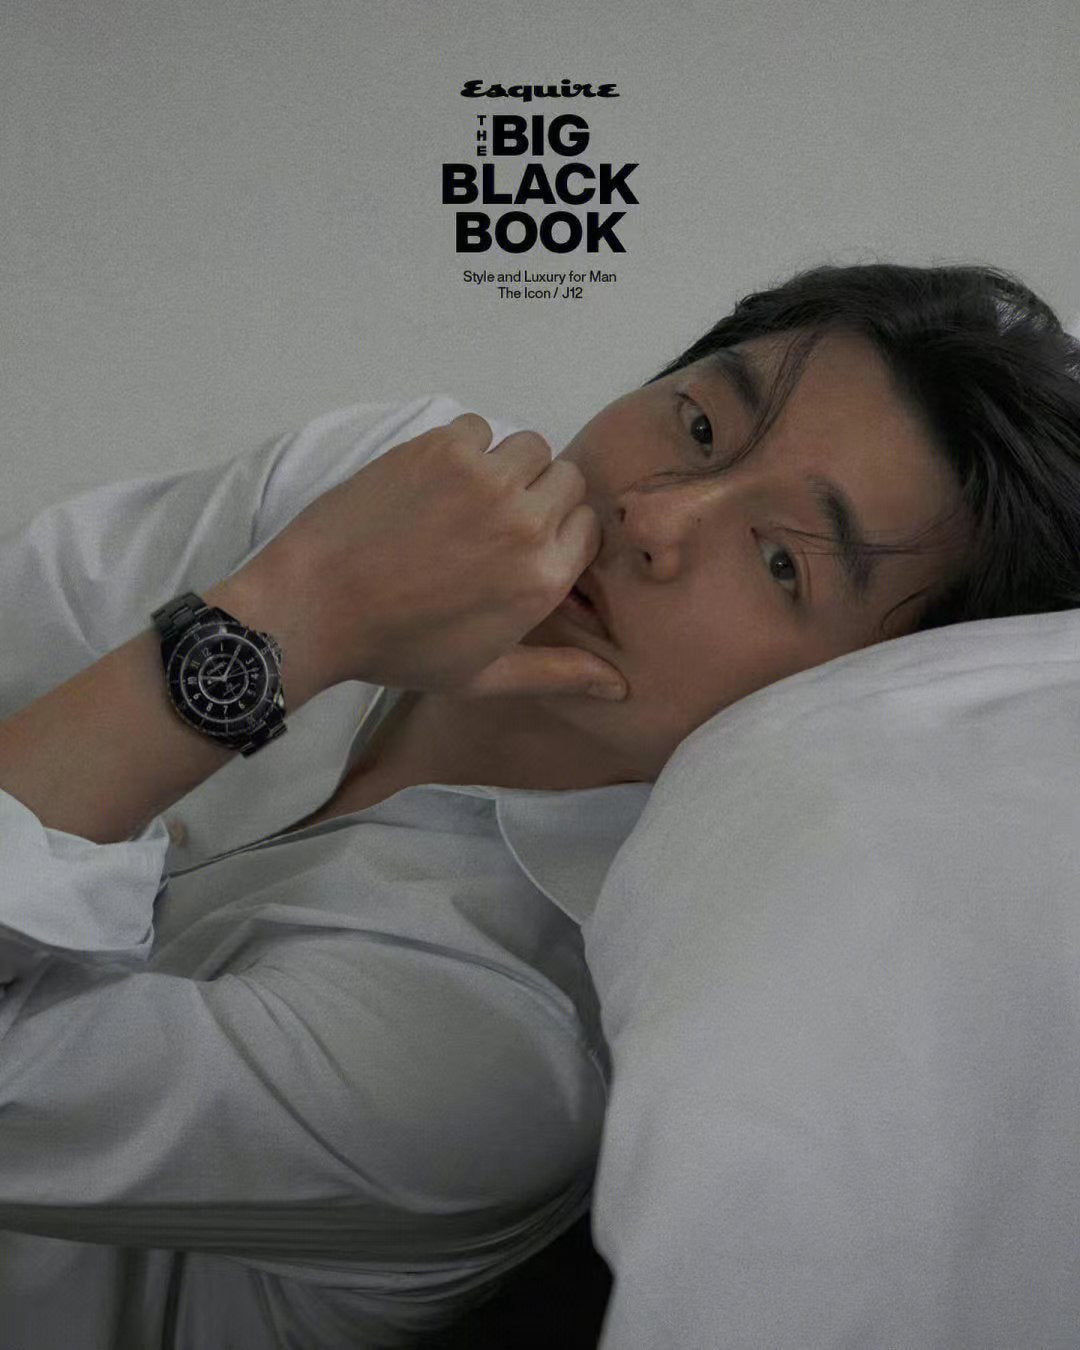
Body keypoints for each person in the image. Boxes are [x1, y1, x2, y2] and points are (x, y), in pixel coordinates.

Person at [0, 261, 1077, 1348]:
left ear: (848, 698)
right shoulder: (394, 486)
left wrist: (299, 620)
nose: (655, 513)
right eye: (701, 426)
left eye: (782, 562)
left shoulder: (497, 1049)